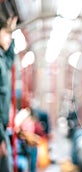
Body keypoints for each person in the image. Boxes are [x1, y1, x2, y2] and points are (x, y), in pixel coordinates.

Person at [0, 15, 17, 172]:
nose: (9, 38)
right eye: (6, 34)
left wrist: (12, 30)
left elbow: (10, 59)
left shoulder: (2, 60)